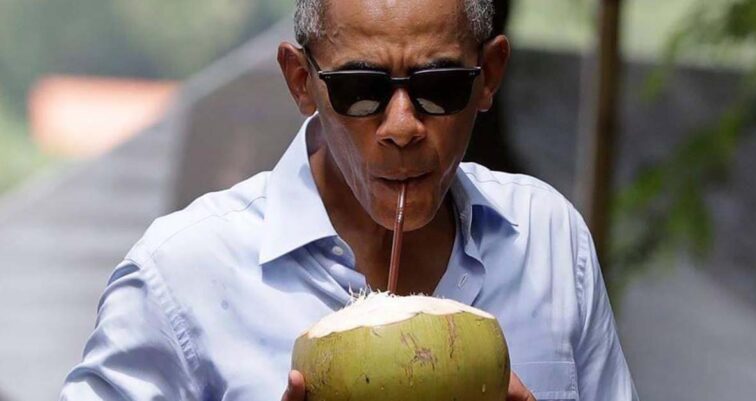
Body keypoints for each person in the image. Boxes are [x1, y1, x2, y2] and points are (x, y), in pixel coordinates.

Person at [60, 0, 638, 400]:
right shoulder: (183, 276)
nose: (403, 126)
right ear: (300, 82)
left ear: (489, 76)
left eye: (439, 87)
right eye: (361, 90)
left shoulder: (548, 242)